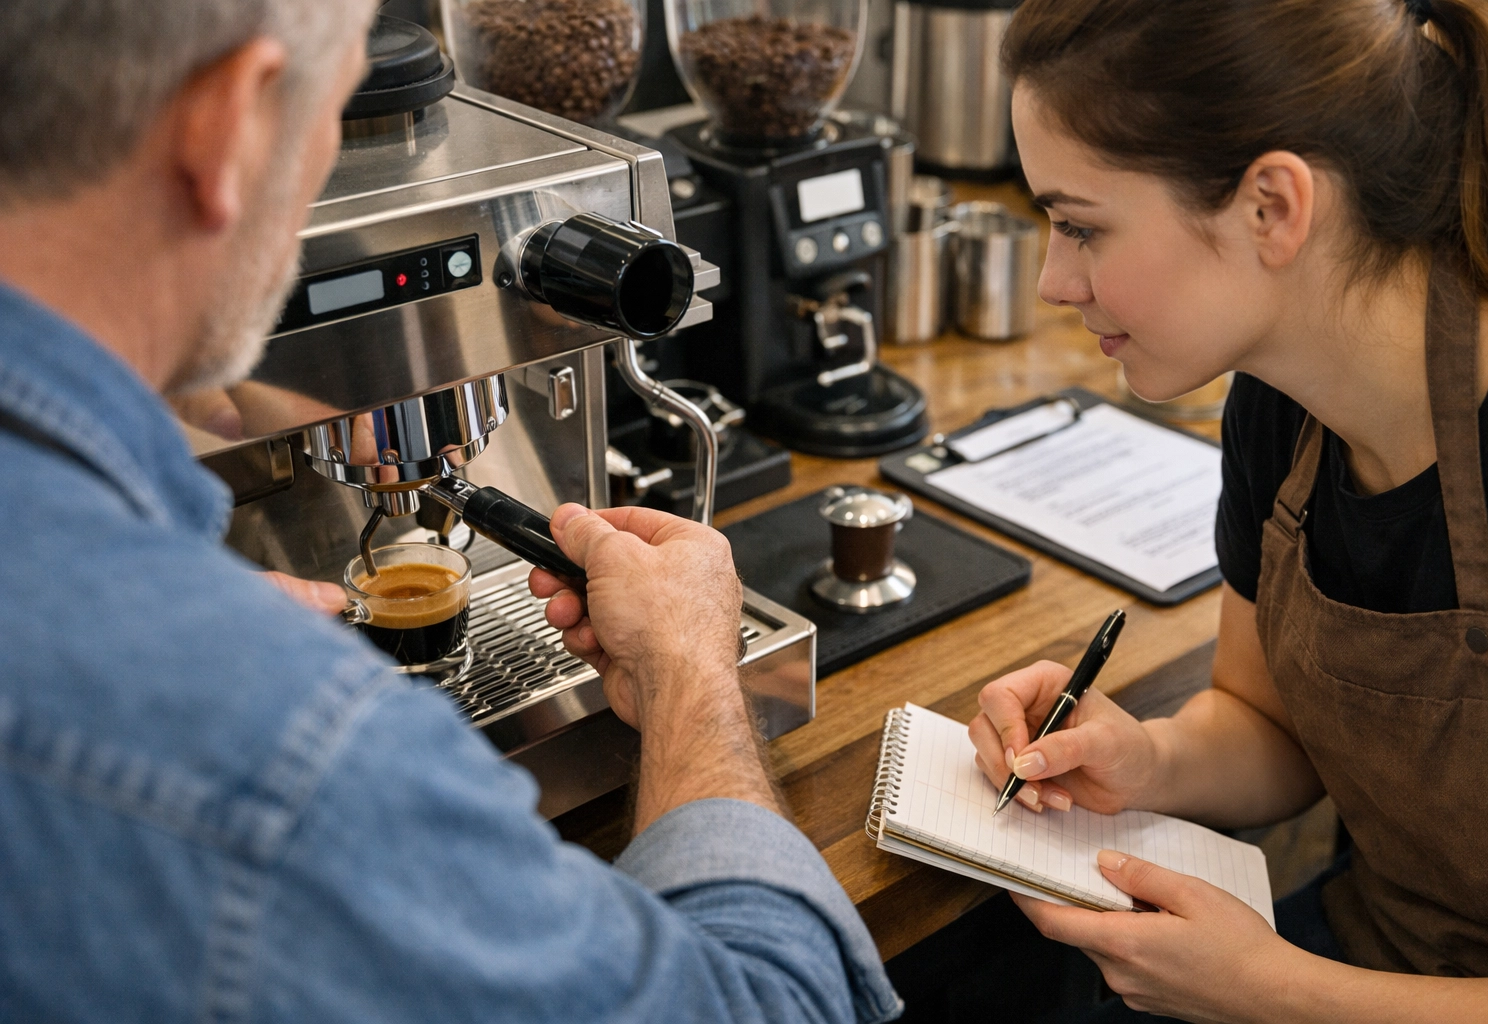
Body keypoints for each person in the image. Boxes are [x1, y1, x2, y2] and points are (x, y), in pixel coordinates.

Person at [0, 3, 900, 1022]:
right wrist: (693, 671)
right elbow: (774, 1002)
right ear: (229, 127)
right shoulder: (295, 749)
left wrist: (180, 604)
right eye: (338, 106)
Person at [956, 0, 1488, 1020]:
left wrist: (1272, 990)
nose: (1052, 279)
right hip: (1377, 952)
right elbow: (1268, 722)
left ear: (1272, 206)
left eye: (1081, 224)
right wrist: (1146, 757)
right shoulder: (1281, 398)